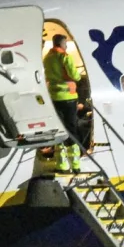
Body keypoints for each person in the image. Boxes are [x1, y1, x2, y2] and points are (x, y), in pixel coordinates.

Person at [43, 34, 82, 172]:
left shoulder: (47, 58)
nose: (66, 46)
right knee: (72, 128)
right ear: (62, 43)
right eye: (66, 43)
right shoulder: (65, 57)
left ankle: (62, 164)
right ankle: (76, 163)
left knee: (60, 129)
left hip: (54, 97)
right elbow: (75, 76)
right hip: (69, 98)